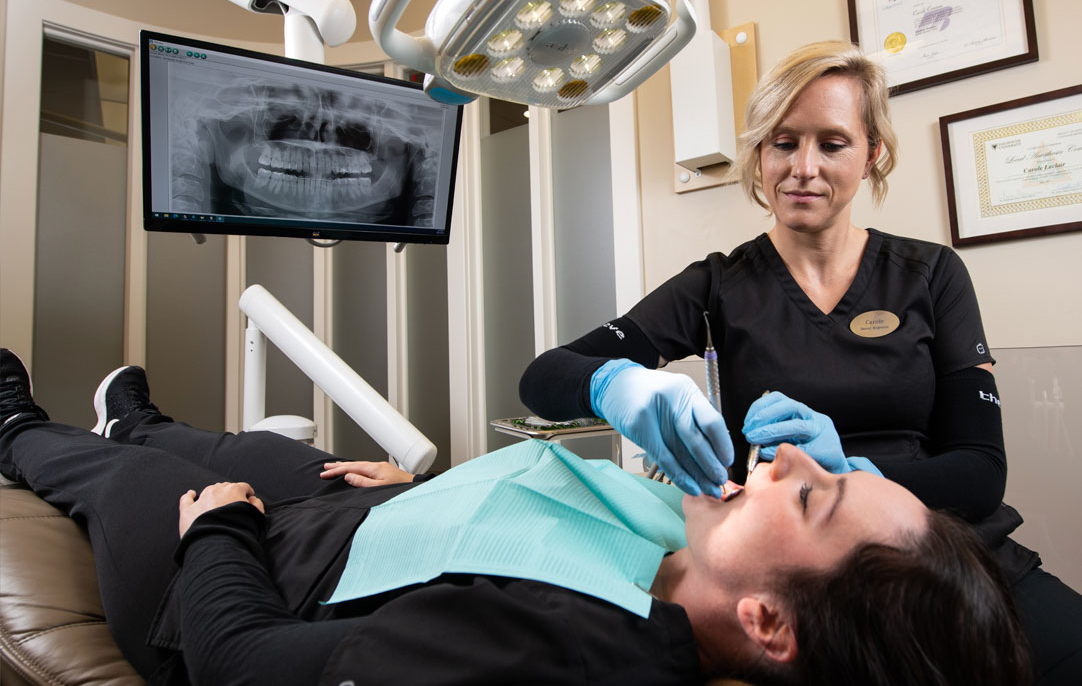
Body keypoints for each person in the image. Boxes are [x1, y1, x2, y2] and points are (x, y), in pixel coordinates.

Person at [519, 40, 1082, 684]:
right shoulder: (717, 287)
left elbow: (981, 474)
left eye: (833, 144)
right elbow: (544, 376)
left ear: (873, 154)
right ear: (760, 155)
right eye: (782, 143)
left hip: (944, 559)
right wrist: (615, 384)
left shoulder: (929, 276)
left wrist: (852, 472)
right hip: (802, 585)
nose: (803, 168)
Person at [0, 349, 1029, 685]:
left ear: (767, 620)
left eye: (813, 491)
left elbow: (240, 657)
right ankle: (140, 424)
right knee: (278, 451)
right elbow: (519, 517)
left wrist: (219, 530)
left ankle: (21, 427)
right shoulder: (687, 546)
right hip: (352, 525)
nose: (790, 454)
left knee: (137, 488)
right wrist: (413, 499)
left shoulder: (560, 651)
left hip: (231, 588)